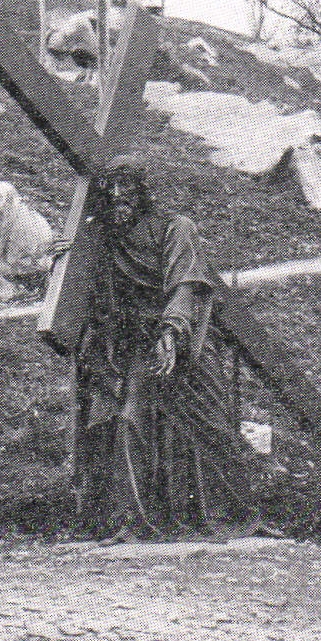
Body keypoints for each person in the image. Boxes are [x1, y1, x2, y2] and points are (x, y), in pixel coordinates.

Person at [69, 154, 262, 540]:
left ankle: (226, 514)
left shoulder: (176, 227)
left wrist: (171, 332)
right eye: (111, 191)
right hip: (134, 346)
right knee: (128, 419)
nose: (119, 197)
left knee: (208, 426)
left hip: (185, 340)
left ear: (143, 192)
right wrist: (67, 259)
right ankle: (132, 520)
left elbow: (185, 282)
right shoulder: (103, 239)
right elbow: (87, 295)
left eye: (128, 188)